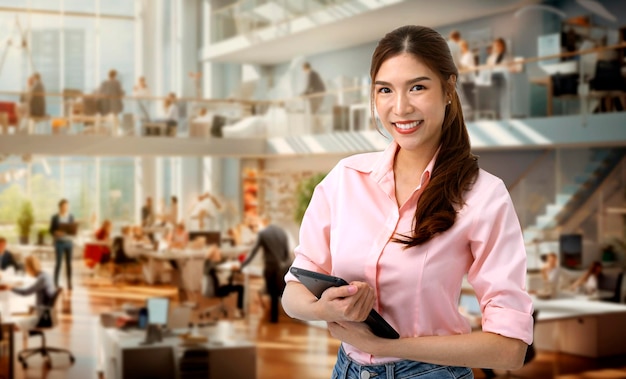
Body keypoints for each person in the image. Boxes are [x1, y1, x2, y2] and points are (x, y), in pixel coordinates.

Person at [281, 25, 533, 378]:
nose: (400, 108)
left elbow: (510, 350)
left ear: (448, 89)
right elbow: (293, 292)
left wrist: (387, 347)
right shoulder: (345, 179)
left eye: (417, 87)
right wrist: (327, 309)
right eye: (385, 90)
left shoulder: (484, 196)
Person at [240, 215, 291, 323]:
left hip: (271, 267)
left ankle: (274, 318)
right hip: (283, 268)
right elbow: (287, 254)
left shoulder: (263, 234)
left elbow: (253, 252)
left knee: (272, 293)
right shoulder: (282, 232)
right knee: (281, 292)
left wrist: (242, 265)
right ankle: (288, 315)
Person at [7, 255, 56, 347]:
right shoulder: (45, 275)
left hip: (42, 317)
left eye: (26, 267)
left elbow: (25, 292)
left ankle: (7, 355)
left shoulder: (42, 279)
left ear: (29, 267)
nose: (25, 269)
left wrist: (10, 288)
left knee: (9, 326)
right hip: (46, 313)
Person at [49, 199, 75, 290]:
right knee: (58, 263)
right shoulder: (55, 217)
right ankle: (55, 283)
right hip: (59, 243)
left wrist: (73, 231)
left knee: (69, 264)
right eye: (64, 206)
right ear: (60, 207)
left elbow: (73, 229)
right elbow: (51, 230)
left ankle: (69, 283)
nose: (66, 208)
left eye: (67, 206)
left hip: (69, 242)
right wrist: (56, 232)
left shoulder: (71, 216)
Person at [486, 37, 509, 119]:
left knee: (503, 101)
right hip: (494, 80)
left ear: (503, 46)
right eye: (495, 45)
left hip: (503, 79)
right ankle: (497, 117)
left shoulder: (506, 56)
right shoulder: (492, 57)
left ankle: (503, 117)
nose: (497, 47)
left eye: (499, 45)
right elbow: (489, 69)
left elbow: (507, 68)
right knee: (495, 102)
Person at [458, 39, 477, 117]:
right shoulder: (463, 56)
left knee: (470, 98)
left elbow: (467, 67)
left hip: (469, 80)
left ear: (464, 46)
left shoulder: (469, 55)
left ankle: (472, 115)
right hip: (464, 80)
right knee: (466, 98)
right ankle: (468, 115)